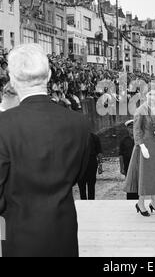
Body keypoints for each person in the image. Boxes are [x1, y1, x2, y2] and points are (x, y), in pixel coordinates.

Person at [0, 44, 90, 257]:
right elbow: (79, 174)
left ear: (12, 79)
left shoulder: (3, 125)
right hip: (64, 231)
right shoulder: (78, 122)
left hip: (19, 236)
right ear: (49, 75)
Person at [124, 89, 155, 217]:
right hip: (145, 146)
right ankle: (141, 203)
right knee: (144, 176)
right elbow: (136, 130)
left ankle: (154, 203)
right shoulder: (140, 110)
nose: (153, 97)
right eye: (150, 94)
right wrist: (142, 146)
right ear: (145, 96)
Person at [78, 133, 102, 200]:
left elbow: (99, 152)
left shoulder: (94, 137)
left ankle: (91, 204)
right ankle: (83, 204)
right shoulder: (77, 137)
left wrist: (100, 165)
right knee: (81, 186)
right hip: (80, 163)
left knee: (91, 185)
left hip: (91, 163)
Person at [119, 120, 138, 200]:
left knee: (138, 185)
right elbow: (120, 155)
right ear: (127, 129)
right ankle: (129, 202)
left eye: (133, 127)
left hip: (138, 166)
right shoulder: (124, 140)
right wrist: (121, 168)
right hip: (128, 167)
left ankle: (139, 202)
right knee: (129, 185)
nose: (132, 129)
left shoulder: (140, 139)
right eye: (130, 128)